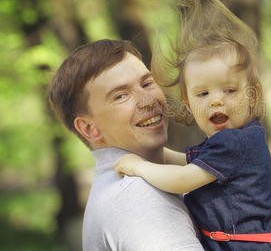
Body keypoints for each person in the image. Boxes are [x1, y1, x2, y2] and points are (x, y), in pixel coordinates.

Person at [114, 0, 271, 250]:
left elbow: (184, 179)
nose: (216, 100)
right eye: (203, 93)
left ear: (252, 95)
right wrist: (163, 155)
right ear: (188, 103)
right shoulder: (233, 143)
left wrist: (139, 167)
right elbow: (195, 166)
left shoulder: (234, 143)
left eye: (230, 90)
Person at [48, 39, 204, 251]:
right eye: (120, 96)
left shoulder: (121, 187)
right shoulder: (139, 198)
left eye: (147, 83)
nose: (148, 100)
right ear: (89, 129)